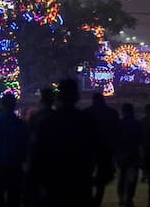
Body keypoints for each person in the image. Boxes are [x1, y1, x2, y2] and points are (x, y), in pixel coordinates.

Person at [30, 78, 104, 206]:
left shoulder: (46, 122)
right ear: (76, 97)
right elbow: (100, 152)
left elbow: (36, 157)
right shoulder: (87, 121)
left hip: (53, 184)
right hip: (80, 184)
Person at [0, 94, 29, 207]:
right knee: (14, 199)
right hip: (15, 167)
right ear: (14, 105)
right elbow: (26, 146)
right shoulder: (21, 124)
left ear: (2, 105)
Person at [85, 93, 120, 207]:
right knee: (102, 177)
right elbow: (116, 132)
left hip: (89, 150)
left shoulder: (86, 113)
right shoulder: (112, 113)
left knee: (87, 175)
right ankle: (97, 200)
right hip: (105, 149)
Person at [117, 103, 142, 207]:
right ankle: (129, 198)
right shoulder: (137, 124)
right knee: (132, 179)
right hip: (133, 155)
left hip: (122, 155)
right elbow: (141, 141)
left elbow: (116, 140)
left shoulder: (119, 123)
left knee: (122, 176)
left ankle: (122, 197)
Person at [140, 103, 150, 183]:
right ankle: (149, 176)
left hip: (145, 144)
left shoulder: (143, 120)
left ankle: (144, 175)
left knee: (144, 161)